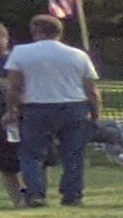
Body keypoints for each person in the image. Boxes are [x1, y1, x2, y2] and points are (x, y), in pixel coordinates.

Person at [6, 14, 98, 208]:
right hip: (74, 106)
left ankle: (35, 194)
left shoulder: (21, 52)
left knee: (31, 154)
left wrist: (12, 109)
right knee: (73, 153)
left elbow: (14, 86)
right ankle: (72, 195)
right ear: (59, 32)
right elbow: (91, 88)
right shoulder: (78, 54)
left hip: (36, 107)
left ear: (34, 31)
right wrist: (95, 113)